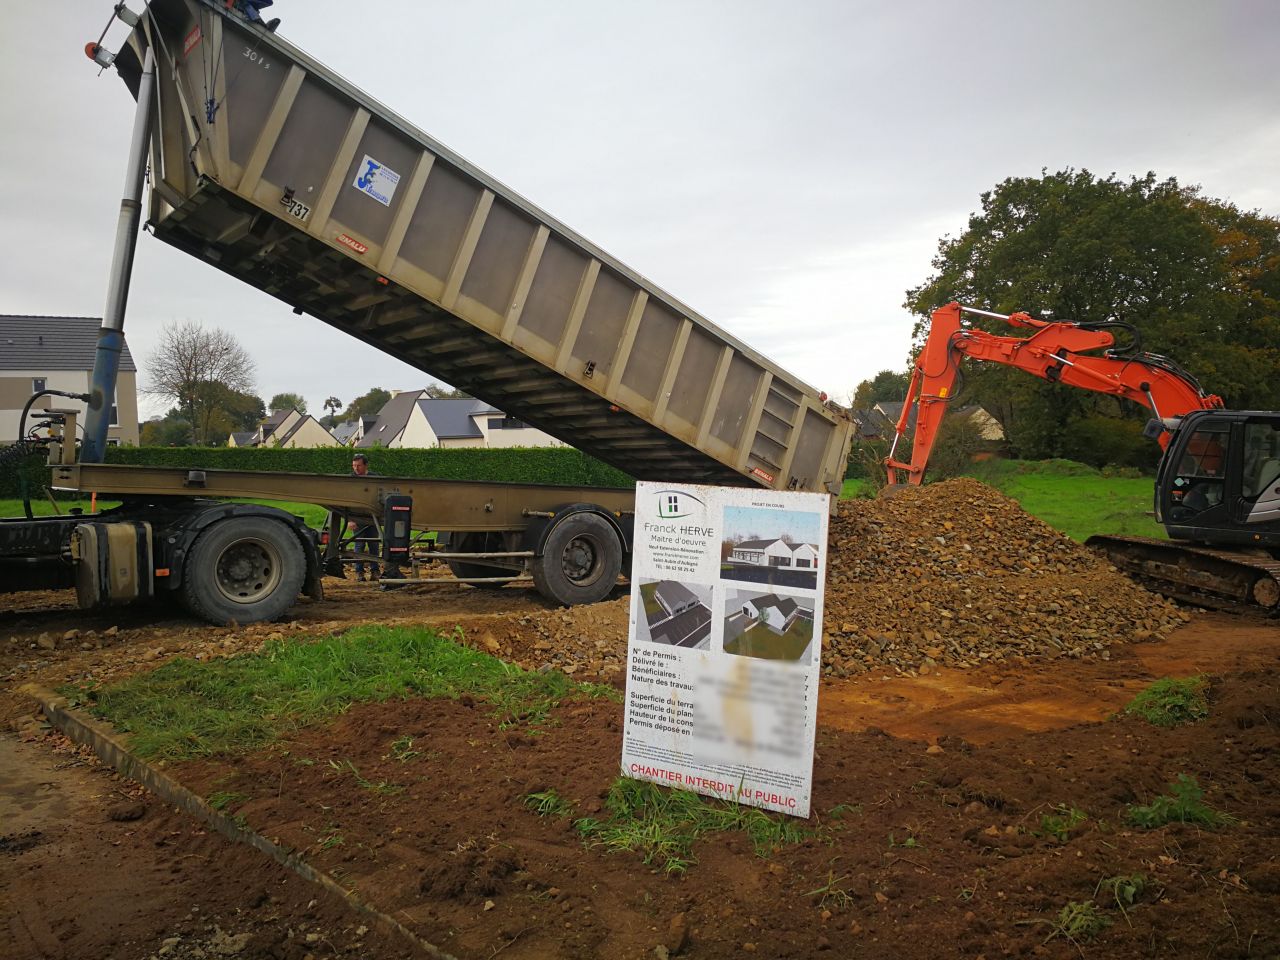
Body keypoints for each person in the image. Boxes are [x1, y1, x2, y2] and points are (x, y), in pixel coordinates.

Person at [348, 453, 379, 582]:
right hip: (357, 518)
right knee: (359, 545)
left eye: (358, 466)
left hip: (372, 518)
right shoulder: (350, 480)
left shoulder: (375, 478)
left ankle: (375, 571)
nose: (356, 468)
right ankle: (359, 572)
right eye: (354, 466)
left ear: (365, 465)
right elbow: (347, 501)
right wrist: (350, 519)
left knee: (374, 545)